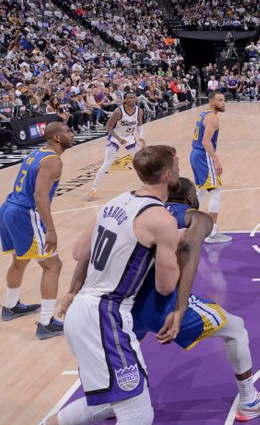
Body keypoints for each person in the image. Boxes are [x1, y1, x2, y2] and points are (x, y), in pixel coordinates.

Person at [50, 178, 260, 424]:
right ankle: (250, 402)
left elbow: (83, 254)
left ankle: (115, 401)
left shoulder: (139, 211)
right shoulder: (191, 216)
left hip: (125, 307)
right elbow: (186, 248)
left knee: (119, 363)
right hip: (162, 305)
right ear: (190, 199)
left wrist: (72, 290)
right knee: (235, 328)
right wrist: (181, 306)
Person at [55, 145, 183, 425]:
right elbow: (164, 286)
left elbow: (79, 252)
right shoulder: (162, 220)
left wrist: (72, 291)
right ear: (167, 175)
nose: (179, 171)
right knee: (137, 414)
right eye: (177, 166)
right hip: (105, 314)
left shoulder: (115, 201)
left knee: (107, 404)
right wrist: (179, 250)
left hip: (83, 310)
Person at [1, 122, 73, 339]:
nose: (72, 133)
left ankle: (11, 306)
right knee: (53, 265)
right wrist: (50, 229)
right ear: (57, 138)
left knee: (20, 260)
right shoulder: (53, 162)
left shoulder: (37, 153)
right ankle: (46, 323)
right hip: (25, 213)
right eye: (68, 131)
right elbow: (40, 196)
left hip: (8, 208)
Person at [87, 92, 145, 201]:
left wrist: (141, 137)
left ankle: (148, 185)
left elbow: (140, 125)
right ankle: (93, 189)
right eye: (130, 97)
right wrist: (118, 138)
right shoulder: (118, 111)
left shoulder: (139, 110)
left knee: (140, 161)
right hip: (115, 137)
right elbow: (108, 127)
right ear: (125, 100)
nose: (133, 99)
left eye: (134, 97)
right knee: (108, 162)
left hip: (129, 137)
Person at [190, 91, 230, 243]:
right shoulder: (213, 118)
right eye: (220, 100)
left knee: (201, 191)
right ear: (212, 102)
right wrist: (216, 161)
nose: (223, 103)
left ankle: (188, 223)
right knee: (216, 191)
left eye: (224, 100)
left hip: (195, 153)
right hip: (203, 155)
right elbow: (206, 141)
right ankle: (213, 232)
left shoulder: (204, 113)